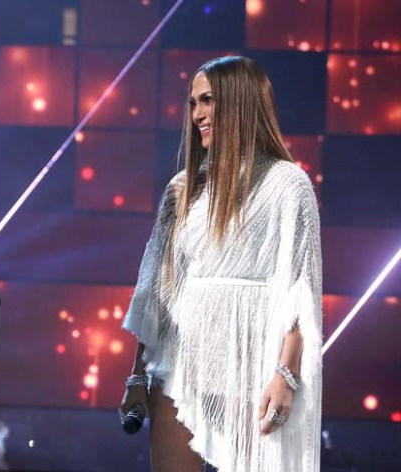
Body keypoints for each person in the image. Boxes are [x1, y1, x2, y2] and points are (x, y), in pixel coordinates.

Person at [120, 56, 322, 472]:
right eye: (193, 103)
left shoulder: (288, 184)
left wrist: (286, 374)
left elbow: (301, 290)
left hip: (254, 362)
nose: (197, 115)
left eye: (208, 100)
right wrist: (137, 376)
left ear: (241, 102)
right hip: (180, 364)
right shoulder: (183, 188)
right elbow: (157, 290)